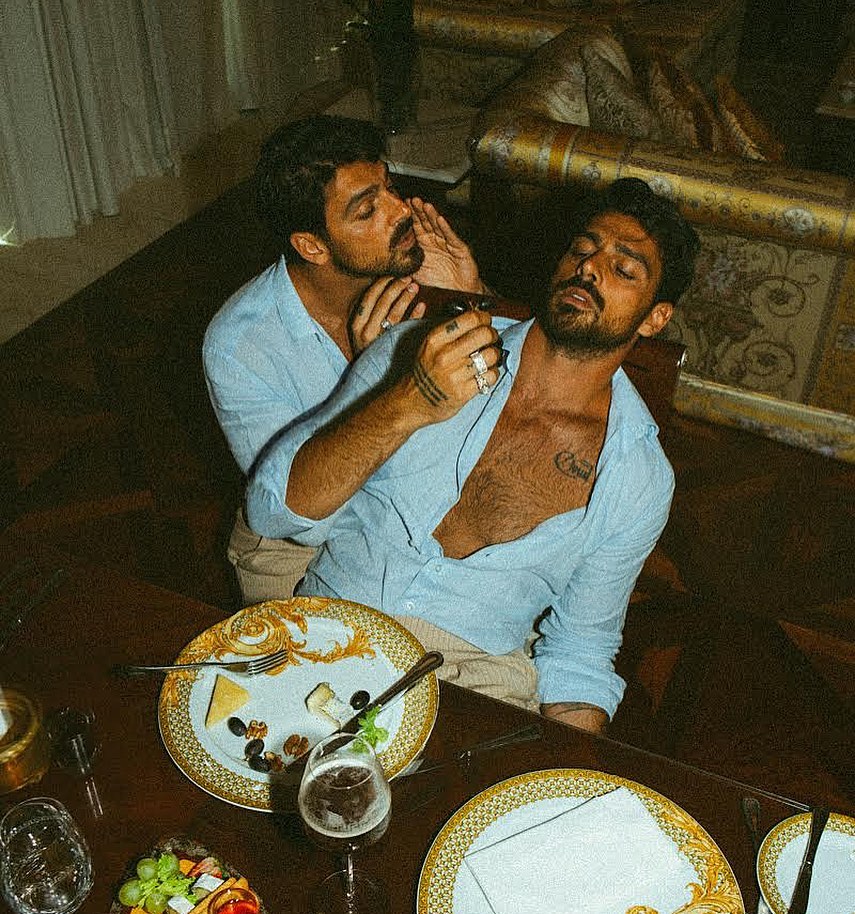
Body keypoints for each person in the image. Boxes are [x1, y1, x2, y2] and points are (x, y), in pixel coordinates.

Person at [246, 177, 700, 734]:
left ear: (655, 318)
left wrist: (577, 766)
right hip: (331, 627)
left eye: (624, 269)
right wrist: (410, 400)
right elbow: (275, 512)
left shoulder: (636, 477)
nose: (589, 269)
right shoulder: (422, 349)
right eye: (582, 250)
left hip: (472, 680)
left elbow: (581, 648)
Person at [203, 114, 487, 604]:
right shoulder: (239, 346)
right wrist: (375, 379)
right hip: (294, 547)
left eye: (390, 188)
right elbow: (305, 521)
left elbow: (499, 412)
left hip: (411, 515)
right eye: (367, 210)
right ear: (312, 245)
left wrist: (474, 300)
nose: (401, 211)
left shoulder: (418, 275)